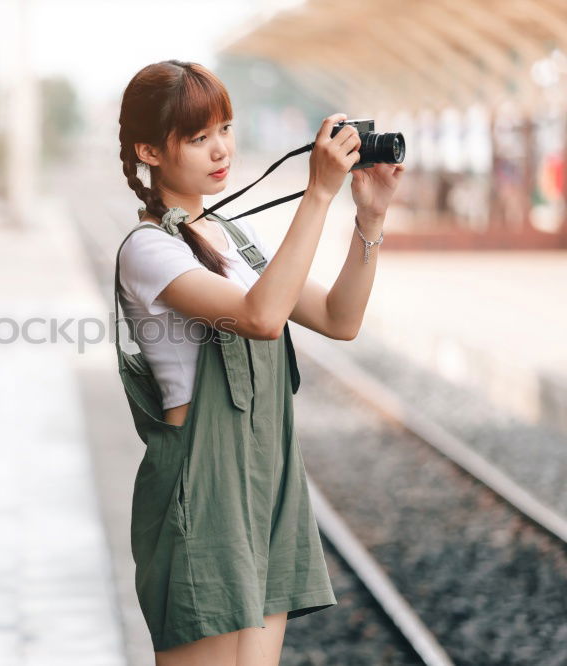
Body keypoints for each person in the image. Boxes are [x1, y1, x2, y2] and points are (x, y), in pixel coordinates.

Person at [114, 59, 405, 665]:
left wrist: (368, 216)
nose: (221, 149)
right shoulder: (148, 250)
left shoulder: (234, 240)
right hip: (203, 491)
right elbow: (260, 316)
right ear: (149, 150)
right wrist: (318, 193)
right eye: (198, 138)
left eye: (225, 128)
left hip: (266, 479)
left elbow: (339, 319)